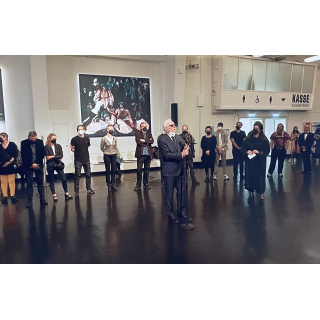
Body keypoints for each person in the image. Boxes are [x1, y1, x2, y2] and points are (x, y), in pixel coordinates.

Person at [158, 119, 191, 224]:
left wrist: (186, 147)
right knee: (169, 194)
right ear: (166, 128)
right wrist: (182, 154)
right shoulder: (162, 139)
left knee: (182, 192)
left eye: (174, 125)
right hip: (169, 171)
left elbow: (183, 146)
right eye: (172, 125)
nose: (174, 127)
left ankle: (182, 213)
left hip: (180, 170)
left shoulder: (178, 137)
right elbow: (166, 155)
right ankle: (170, 214)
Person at [241, 121, 270, 204]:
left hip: (260, 162)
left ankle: (261, 195)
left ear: (260, 130)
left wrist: (259, 152)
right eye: (254, 128)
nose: (255, 130)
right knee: (250, 177)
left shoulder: (264, 140)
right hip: (250, 162)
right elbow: (243, 149)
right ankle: (251, 194)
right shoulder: (248, 139)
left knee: (260, 178)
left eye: (256, 128)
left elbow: (267, 151)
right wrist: (247, 152)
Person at [20, 131, 48, 208]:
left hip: (38, 164)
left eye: (34, 139)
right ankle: (29, 200)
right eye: (32, 139)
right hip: (28, 165)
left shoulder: (40, 142)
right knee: (29, 182)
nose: (33, 140)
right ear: (28, 137)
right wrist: (31, 164)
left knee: (40, 182)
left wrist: (36, 163)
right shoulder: (24, 143)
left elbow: (42, 154)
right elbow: (23, 155)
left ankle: (42, 198)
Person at [44, 133, 73, 202]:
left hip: (58, 164)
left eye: (55, 138)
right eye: (53, 138)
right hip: (50, 165)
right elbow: (47, 157)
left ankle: (66, 193)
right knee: (51, 180)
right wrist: (55, 156)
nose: (54, 139)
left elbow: (61, 155)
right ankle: (54, 195)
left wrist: (53, 156)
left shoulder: (58, 146)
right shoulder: (46, 147)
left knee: (63, 178)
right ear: (49, 138)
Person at [70, 125, 95, 196]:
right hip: (78, 160)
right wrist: (77, 151)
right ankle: (76, 191)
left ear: (84, 130)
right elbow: (72, 148)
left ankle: (89, 189)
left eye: (81, 129)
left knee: (88, 174)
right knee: (77, 175)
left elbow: (87, 147)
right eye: (78, 129)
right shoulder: (74, 139)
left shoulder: (87, 138)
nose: (80, 130)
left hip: (86, 159)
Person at [134, 122, 154, 191]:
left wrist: (144, 140)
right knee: (139, 170)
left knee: (147, 169)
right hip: (141, 154)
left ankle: (146, 184)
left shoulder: (149, 134)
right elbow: (138, 142)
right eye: (143, 126)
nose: (144, 127)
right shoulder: (138, 133)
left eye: (145, 126)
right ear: (140, 127)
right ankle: (138, 185)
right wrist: (147, 141)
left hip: (148, 154)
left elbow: (152, 141)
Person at [0, 133, 18, 204]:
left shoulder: (12, 144)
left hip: (10, 165)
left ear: (5, 138)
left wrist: (9, 162)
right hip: (1, 166)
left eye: (1, 137)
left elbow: (15, 154)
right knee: (3, 182)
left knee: (11, 181)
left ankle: (13, 195)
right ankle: (5, 196)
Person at [100, 125, 118, 192]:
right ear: (107, 130)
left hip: (113, 155)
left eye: (112, 129)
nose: (112, 130)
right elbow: (102, 147)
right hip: (107, 155)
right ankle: (109, 185)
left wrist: (113, 151)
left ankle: (113, 184)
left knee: (113, 170)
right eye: (110, 129)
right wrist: (106, 151)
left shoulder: (115, 138)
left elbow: (115, 146)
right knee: (108, 170)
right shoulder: (104, 138)